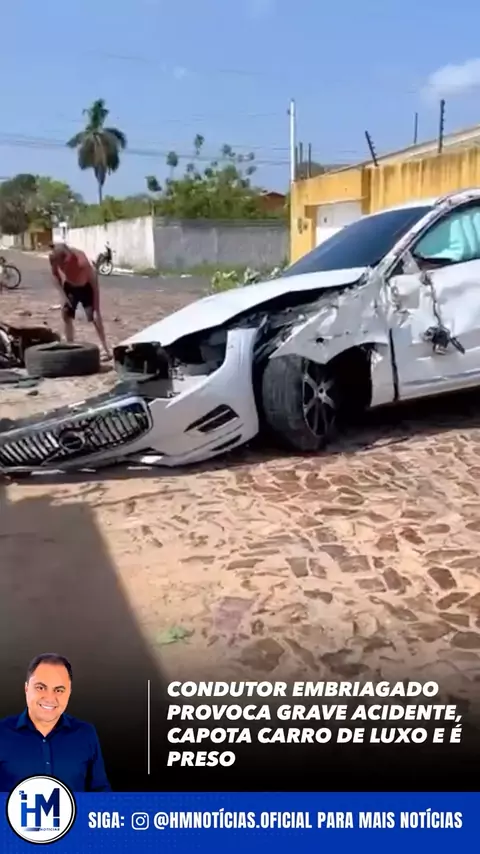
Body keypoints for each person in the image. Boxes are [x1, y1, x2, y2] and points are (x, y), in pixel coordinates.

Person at [0, 653, 111, 792]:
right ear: (26, 688)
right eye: (41, 687)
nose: (49, 698)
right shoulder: (2, 733)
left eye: (59, 690)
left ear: (69, 692)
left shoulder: (85, 733)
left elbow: (100, 794)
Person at [48, 242, 111, 360]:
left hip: (87, 286)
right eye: (60, 263)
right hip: (70, 286)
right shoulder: (54, 258)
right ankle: (70, 346)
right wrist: (63, 296)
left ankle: (105, 349)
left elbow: (94, 283)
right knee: (65, 314)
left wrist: (96, 306)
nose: (63, 265)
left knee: (95, 317)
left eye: (64, 262)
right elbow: (55, 276)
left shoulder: (81, 261)